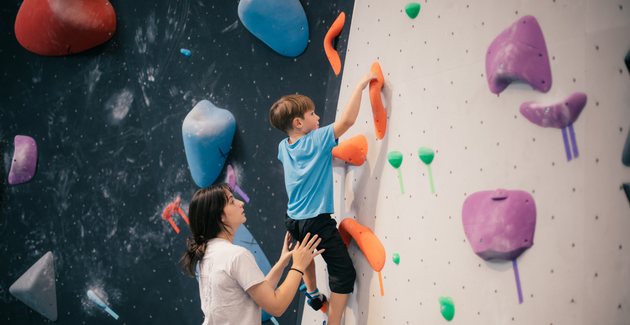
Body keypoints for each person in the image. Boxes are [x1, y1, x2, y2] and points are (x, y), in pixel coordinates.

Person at [269, 72, 378, 325]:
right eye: (312, 114)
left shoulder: (283, 147)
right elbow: (348, 120)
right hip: (317, 221)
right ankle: (334, 321)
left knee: (304, 254)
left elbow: (304, 164)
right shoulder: (317, 140)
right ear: (298, 123)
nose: (317, 117)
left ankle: (313, 292)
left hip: (293, 219)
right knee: (342, 272)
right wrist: (360, 85)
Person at [180, 183, 324, 325]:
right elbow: (276, 306)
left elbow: (257, 293)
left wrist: (282, 263)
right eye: (231, 201)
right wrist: (298, 266)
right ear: (219, 217)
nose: (241, 203)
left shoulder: (208, 256)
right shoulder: (236, 256)